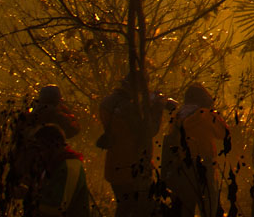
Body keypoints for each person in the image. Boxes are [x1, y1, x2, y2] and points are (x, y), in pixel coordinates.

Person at [98, 75, 174, 217]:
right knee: (134, 207)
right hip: (131, 166)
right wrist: (157, 108)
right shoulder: (128, 107)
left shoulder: (109, 102)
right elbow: (148, 131)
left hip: (114, 163)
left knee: (124, 205)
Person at [161, 82, 230, 217]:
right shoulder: (205, 115)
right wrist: (213, 112)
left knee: (185, 209)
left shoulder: (177, 117)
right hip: (205, 166)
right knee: (209, 207)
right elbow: (224, 133)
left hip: (182, 168)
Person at [24, 124, 91, 217]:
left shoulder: (70, 166)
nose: (39, 154)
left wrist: (28, 195)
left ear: (54, 146)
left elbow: (57, 208)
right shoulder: (53, 165)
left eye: (42, 148)